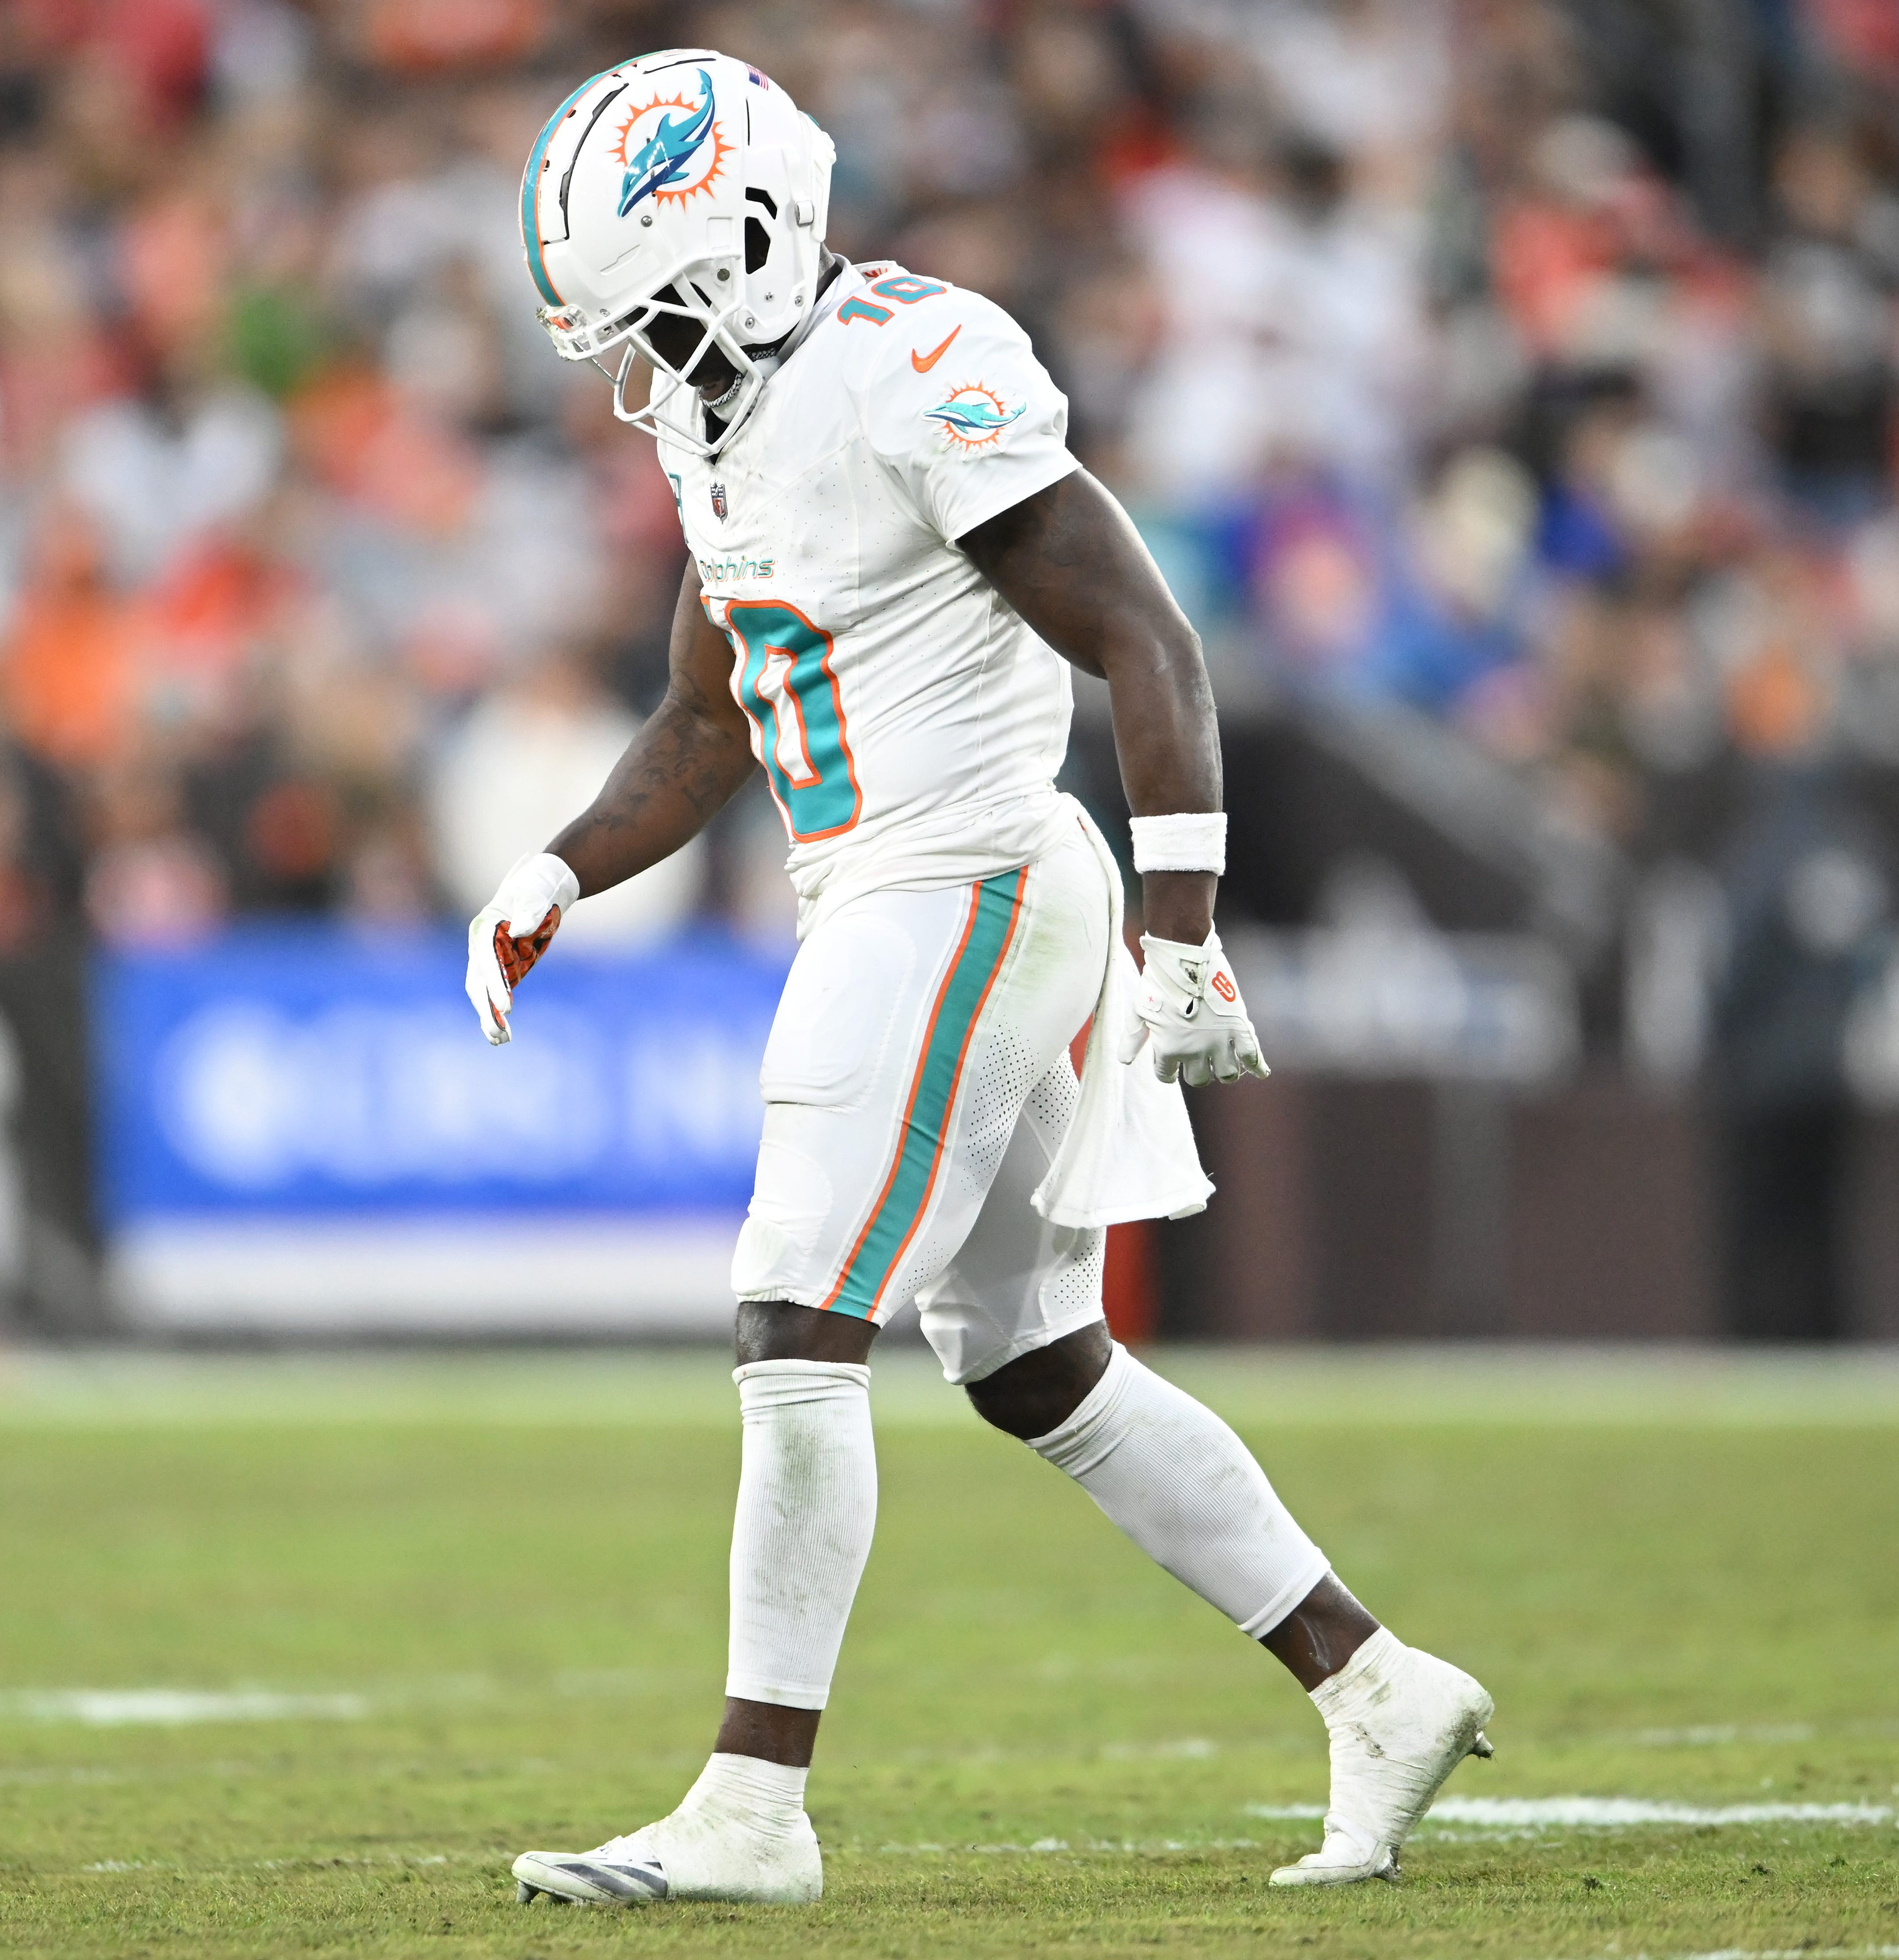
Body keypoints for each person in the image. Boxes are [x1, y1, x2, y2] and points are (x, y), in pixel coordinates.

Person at [469, 50, 1494, 1908]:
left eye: (665, 317)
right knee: (1030, 1357)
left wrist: (1185, 930)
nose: (648, 366)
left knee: (795, 1314)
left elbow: (1141, 633)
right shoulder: (732, 417)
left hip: (961, 878)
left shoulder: (907, 360)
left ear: (755, 243)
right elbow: (712, 715)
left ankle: (753, 1803)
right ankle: (1374, 1677)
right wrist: (558, 866)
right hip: (901, 887)